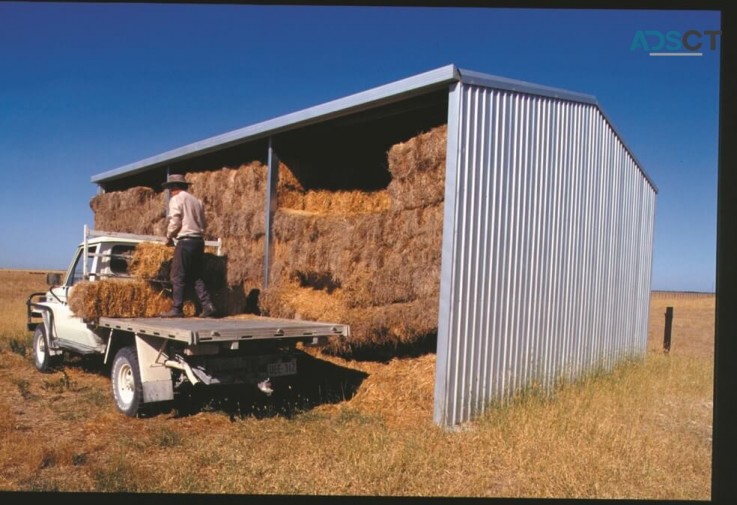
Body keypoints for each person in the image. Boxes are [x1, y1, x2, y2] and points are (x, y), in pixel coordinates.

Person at [159, 174, 217, 318]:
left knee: (177, 275)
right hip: (198, 241)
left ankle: (177, 309)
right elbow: (204, 224)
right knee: (196, 275)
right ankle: (208, 305)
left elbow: (176, 221)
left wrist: (169, 236)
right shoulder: (197, 201)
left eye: (170, 189)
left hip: (185, 241)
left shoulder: (177, 199)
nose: (170, 192)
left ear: (174, 187)